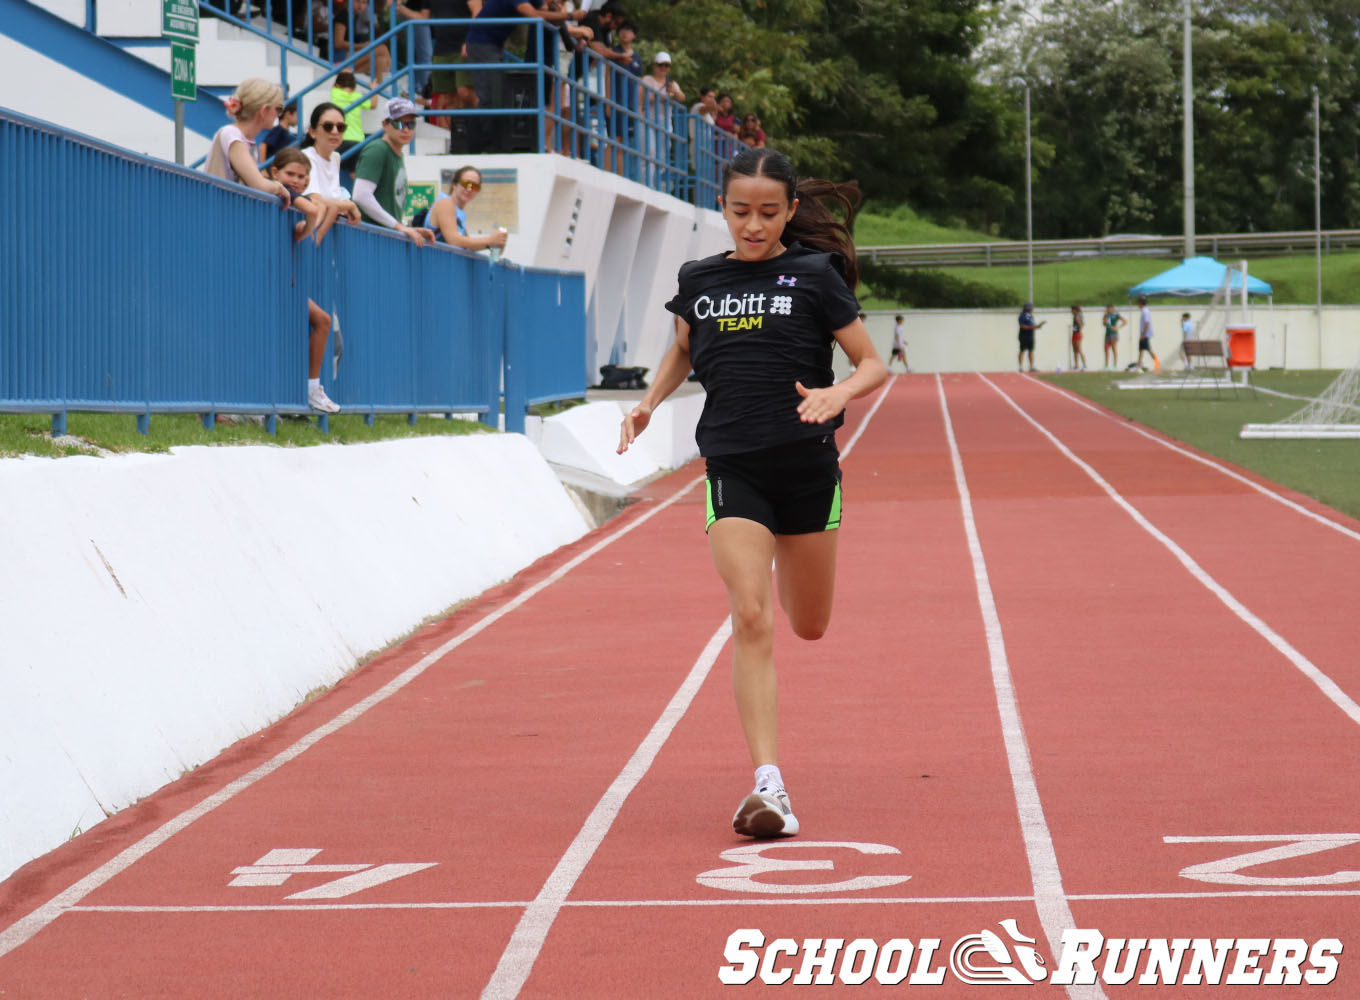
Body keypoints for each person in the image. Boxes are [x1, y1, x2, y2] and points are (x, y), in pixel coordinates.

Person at [617, 148, 887, 839]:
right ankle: (770, 783)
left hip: (807, 471)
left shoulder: (815, 275)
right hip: (733, 466)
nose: (755, 225)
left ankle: (791, 576)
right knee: (751, 616)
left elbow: (871, 363)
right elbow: (684, 345)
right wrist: (648, 403)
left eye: (769, 212)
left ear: (791, 211)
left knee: (809, 623)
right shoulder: (701, 279)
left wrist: (837, 393)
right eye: (741, 212)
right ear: (724, 209)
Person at [267, 149, 343, 413]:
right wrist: (313, 211)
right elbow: (312, 210)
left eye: (302, 176)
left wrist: (313, 224)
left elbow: (308, 222)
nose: (296, 181)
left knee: (323, 320)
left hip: (285, 282)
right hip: (266, 279)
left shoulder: (290, 202)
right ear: (274, 173)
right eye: (290, 174)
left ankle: (312, 389)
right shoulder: (273, 194)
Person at [464, 0, 586, 110]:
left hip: (494, 45)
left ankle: (490, 130)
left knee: (497, 93)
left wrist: (556, 10)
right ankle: (484, 132)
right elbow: (534, 15)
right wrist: (569, 15)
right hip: (481, 43)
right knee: (491, 94)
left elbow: (545, 10)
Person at [351, 97, 437, 244]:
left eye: (411, 124)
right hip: (370, 242)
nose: (405, 129)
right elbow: (361, 195)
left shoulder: (396, 154)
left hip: (382, 241)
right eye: (398, 123)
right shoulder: (378, 150)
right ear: (385, 125)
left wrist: (406, 227)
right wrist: (398, 227)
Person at [202, 78, 292, 208]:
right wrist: (279, 187)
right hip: (217, 213)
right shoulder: (232, 134)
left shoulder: (244, 139)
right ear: (263, 111)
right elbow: (259, 185)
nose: (278, 115)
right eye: (278, 109)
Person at [299, 101, 363, 225]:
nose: (335, 131)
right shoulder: (305, 156)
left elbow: (333, 200)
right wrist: (349, 206)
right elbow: (314, 200)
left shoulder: (335, 157)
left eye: (340, 127)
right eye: (328, 126)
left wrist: (345, 205)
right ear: (312, 132)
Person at [429, 164, 509, 253]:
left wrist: (494, 244)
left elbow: (467, 247)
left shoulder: (458, 214)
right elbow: (454, 240)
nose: (469, 189)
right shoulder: (446, 203)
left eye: (474, 186)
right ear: (454, 184)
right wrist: (489, 240)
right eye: (465, 183)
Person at [331, 69, 376, 157]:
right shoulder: (358, 96)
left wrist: (342, 73)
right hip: (357, 139)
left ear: (337, 85)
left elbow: (334, 86)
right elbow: (373, 105)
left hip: (340, 137)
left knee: (337, 166)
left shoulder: (335, 93)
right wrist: (374, 90)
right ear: (354, 87)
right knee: (354, 168)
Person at [1017, 301, 1043, 372]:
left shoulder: (1031, 316)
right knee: (1022, 350)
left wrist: (1037, 326)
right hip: (1023, 336)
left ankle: (1031, 366)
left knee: (1031, 350)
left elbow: (1032, 325)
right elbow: (1022, 326)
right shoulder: (1022, 315)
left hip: (1030, 336)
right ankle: (1020, 366)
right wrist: (1033, 327)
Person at [1136, 295, 1160, 371]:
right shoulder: (1144, 311)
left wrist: (1143, 334)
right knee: (1141, 349)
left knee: (1148, 349)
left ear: (1140, 303)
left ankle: (1157, 363)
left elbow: (1147, 323)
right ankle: (1139, 364)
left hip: (1145, 334)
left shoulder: (1145, 311)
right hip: (1143, 333)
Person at [1101, 303, 1124, 369]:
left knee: (1113, 348)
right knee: (1106, 349)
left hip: (1113, 333)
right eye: (1107, 308)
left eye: (1109, 308)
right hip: (1107, 333)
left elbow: (1124, 321)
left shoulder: (1116, 314)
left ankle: (1114, 365)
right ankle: (1106, 365)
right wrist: (1105, 316)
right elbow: (1104, 324)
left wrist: (1118, 327)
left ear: (1112, 308)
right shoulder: (1106, 315)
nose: (1108, 309)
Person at [1069, 303, 1087, 371]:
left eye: (1072, 310)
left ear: (1075, 310)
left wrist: (1079, 331)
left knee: (1079, 349)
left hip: (1077, 333)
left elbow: (1080, 325)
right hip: (1074, 333)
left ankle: (1084, 365)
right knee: (1075, 350)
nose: (1071, 312)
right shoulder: (1076, 315)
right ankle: (1076, 365)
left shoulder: (1077, 316)